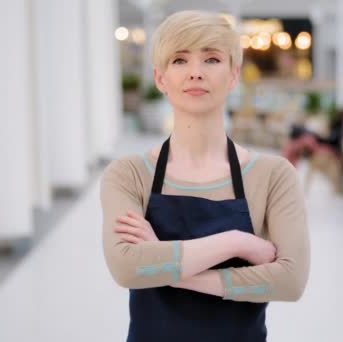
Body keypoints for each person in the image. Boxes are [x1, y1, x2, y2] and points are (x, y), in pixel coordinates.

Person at [100, 10, 310, 342]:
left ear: (233, 74)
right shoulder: (129, 175)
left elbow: (291, 280)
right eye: (180, 60)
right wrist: (237, 242)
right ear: (160, 78)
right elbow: (126, 268)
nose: (195, 73)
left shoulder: (273, 176)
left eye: (211, 59)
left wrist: (165, 264)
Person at [281, 101, 343, 166]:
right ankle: (297, 131)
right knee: (305, 134)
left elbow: (334, 140)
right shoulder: (342, 123)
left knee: (305, 134)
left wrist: (322, 137)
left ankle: (296, 131)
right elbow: (333, 137)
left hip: (331, 145)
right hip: (328, 141)